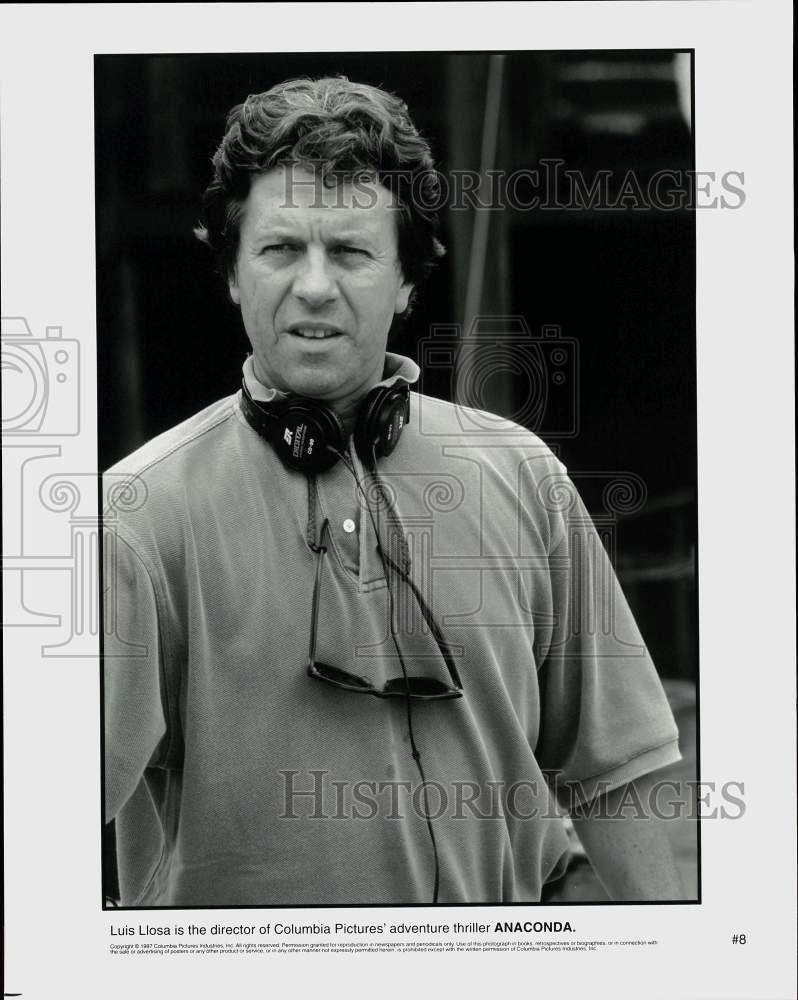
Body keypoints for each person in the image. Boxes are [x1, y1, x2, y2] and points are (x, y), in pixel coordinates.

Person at [103, 76, 685, 907]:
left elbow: (617, 771)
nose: (313, 285)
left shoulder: (525, 475)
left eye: (349, 251)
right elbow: (43, 814)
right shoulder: (133, 519)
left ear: (408, 280)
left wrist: (677, 966)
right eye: (279, 249)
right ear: (231, 273)